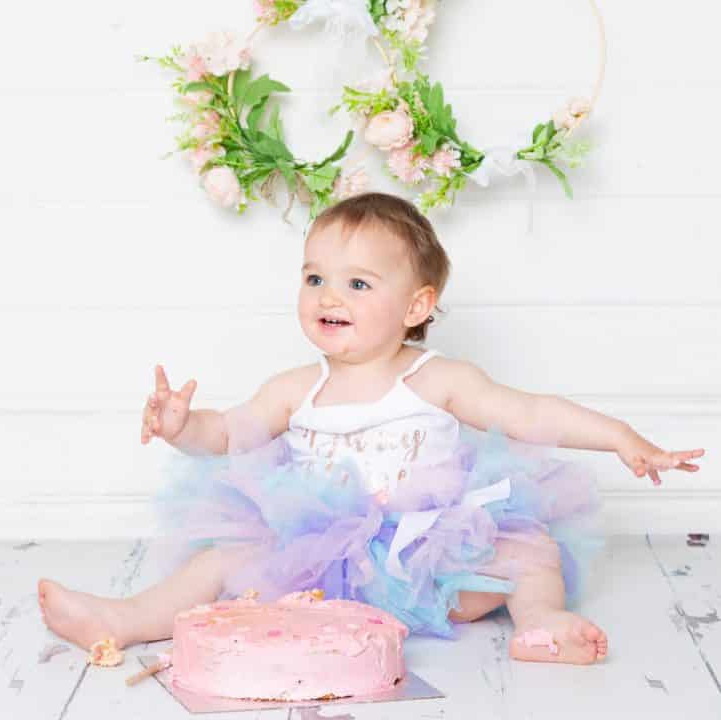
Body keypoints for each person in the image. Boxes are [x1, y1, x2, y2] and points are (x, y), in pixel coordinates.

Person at [38, 192, 704, 665]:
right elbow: (228, 433)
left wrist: (622, 436)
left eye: (358, 284)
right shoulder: (298, 387)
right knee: (218, 562)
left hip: (430, 556)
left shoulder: (436, 377)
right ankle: (121, 620)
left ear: (417, 305)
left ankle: (542, 623)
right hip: (322, 563)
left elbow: (530, 413)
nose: (329, 296)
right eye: (315, 277)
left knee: (530, 553)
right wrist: (184, 426)